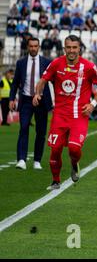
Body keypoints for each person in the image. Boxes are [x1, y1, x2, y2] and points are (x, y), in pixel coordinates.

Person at [32, 35, 97, 190]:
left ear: (79, 49)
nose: (71, 51)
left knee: (74, 148)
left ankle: (74, 164)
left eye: (74, 47)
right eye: (69, 47)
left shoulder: (88, 67)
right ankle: (55, 180)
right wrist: (38, 93)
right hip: (59, 115)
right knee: (56, 149)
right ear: (64, 48)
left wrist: (93, 104)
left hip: (79, 115)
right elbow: (43, 80)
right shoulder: (56, 63)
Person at [9, 38, 52, 170]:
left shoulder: (46, 62)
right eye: (31, 46)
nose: (33, 48)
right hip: (26, 100)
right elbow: (15, 82)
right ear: (28, 47)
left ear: (39, 47)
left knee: (41, 131)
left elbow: (54, 81)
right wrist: (11, 99)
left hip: (42, 100)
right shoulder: (21, 63)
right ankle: (21, 160)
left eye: (35, 46)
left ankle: (37, 161)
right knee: (23, 128)